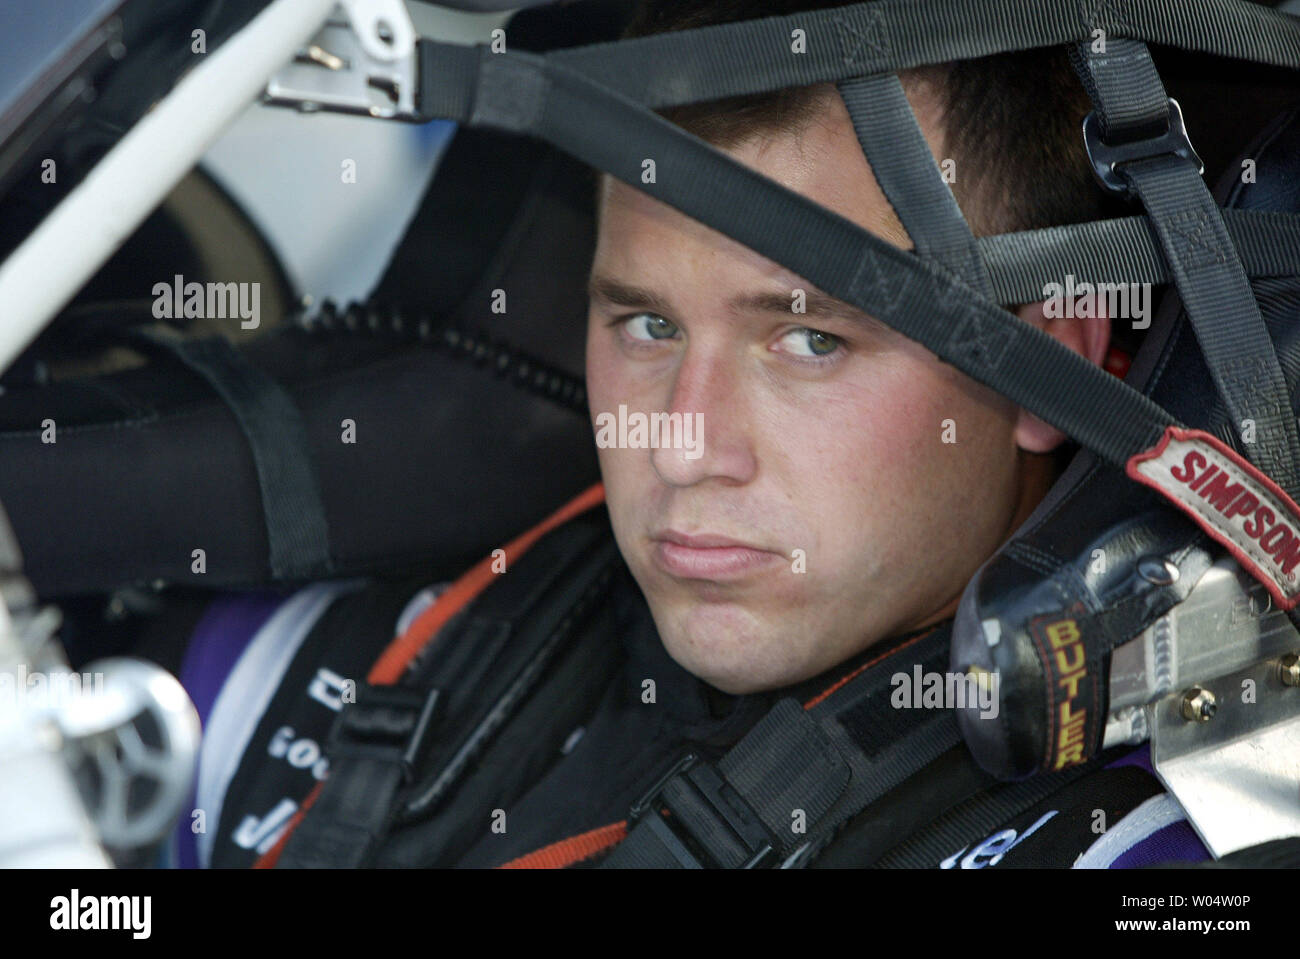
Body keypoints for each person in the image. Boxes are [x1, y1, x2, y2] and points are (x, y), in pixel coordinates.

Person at [172, 0, 1213, 869]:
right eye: (648, 324)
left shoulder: (1134, 860)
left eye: (808, 339)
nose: (678, 444)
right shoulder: (280, 679)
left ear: (1058, 367)